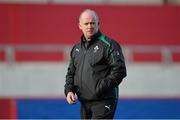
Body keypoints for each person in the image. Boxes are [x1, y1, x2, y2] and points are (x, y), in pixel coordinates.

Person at [64, 9, 127, 119]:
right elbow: (71, 73)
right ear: (80, 26)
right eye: (86, 23)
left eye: (93, 23)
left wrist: (98, 88)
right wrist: (69, 90)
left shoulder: (109, 45)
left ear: (98, 24)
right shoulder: (76, 49)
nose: (89, 26)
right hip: (85, 102)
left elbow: (120, 71)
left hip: (104, 101)